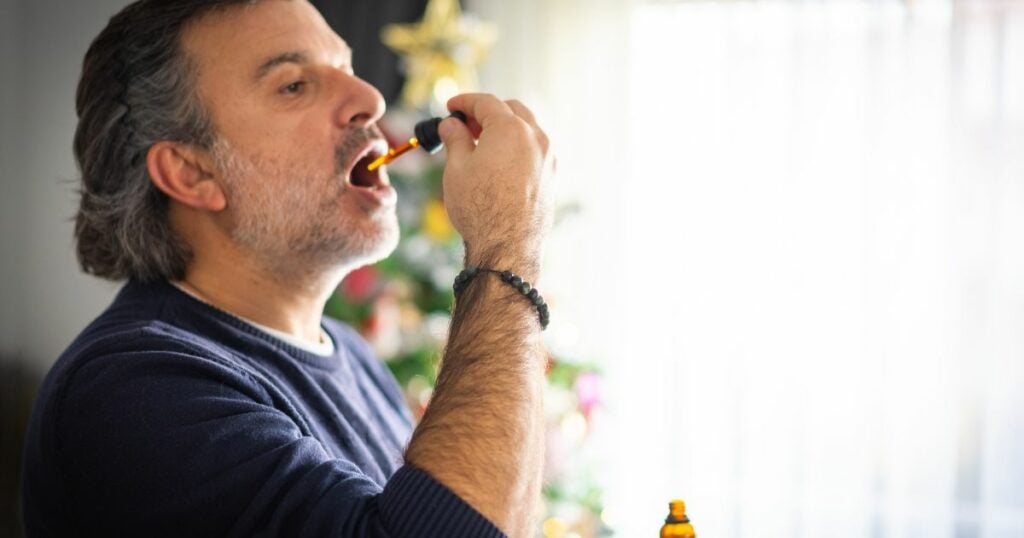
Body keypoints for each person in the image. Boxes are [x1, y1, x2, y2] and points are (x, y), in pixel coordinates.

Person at [20, 0, 555, 536]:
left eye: (345, 68)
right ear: (191, 173)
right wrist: (505, 245)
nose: (369, 99)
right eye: (293, 85)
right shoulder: (132, 394)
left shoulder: (351, 355)